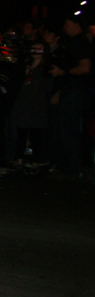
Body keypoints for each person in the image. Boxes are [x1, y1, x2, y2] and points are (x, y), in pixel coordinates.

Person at [49, 14, 91, 178]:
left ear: (77, 25)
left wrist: (63, 72)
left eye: (68, 23)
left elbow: (85, 67)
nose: (65, 26)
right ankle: (69, 167)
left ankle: (72, 169)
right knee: (66, 129)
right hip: (70, 90)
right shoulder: (73, 42)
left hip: (75, 92)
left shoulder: (80, 42)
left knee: (69, 130)